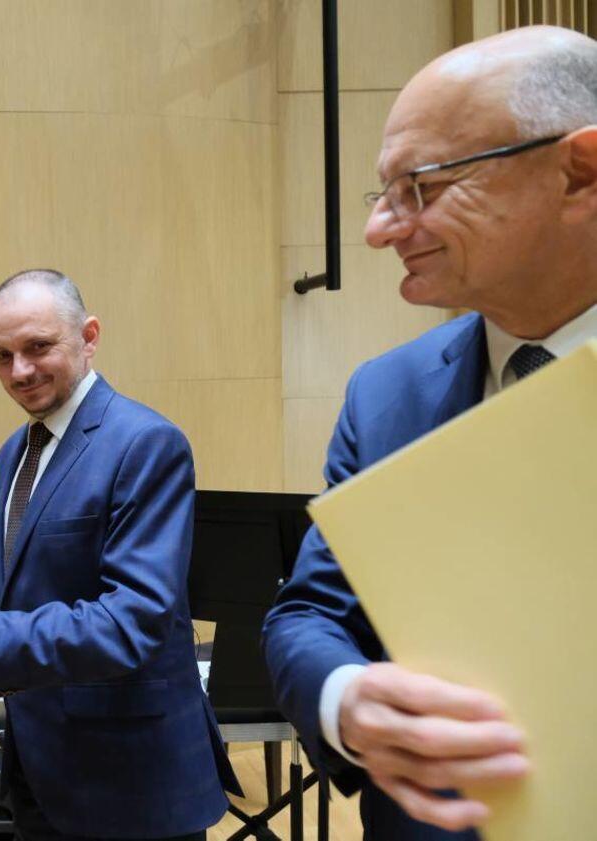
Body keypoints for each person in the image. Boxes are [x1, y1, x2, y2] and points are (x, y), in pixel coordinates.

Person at [262, 25, 597, 839]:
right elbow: (308, 614)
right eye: (383, 193)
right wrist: (348, 699)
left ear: (580, 171)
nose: (379, 230)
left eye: (421, 187)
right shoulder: (386, 395)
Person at [0, 270, 239, 841]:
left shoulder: (145, 443)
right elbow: (20, 594)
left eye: (38, 347)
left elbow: (131, 623)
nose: (19, 371)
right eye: (2, 356)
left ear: (89, 336)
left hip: (132, 780)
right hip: (39, 770)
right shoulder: (13, 453)